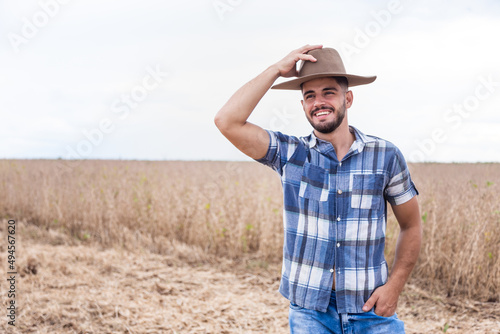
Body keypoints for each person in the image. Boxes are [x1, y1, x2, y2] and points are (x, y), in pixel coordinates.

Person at [214, 44, 422, 334]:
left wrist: (394, 287)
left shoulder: (385, 155)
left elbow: (411, 226)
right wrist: (276, 69)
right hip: (310, 313)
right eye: (309, 95)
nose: (318, 102)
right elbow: (227, 121)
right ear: (302, 105)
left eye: (328, 92)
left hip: (371, 310)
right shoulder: (290, 153)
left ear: (347, 98)